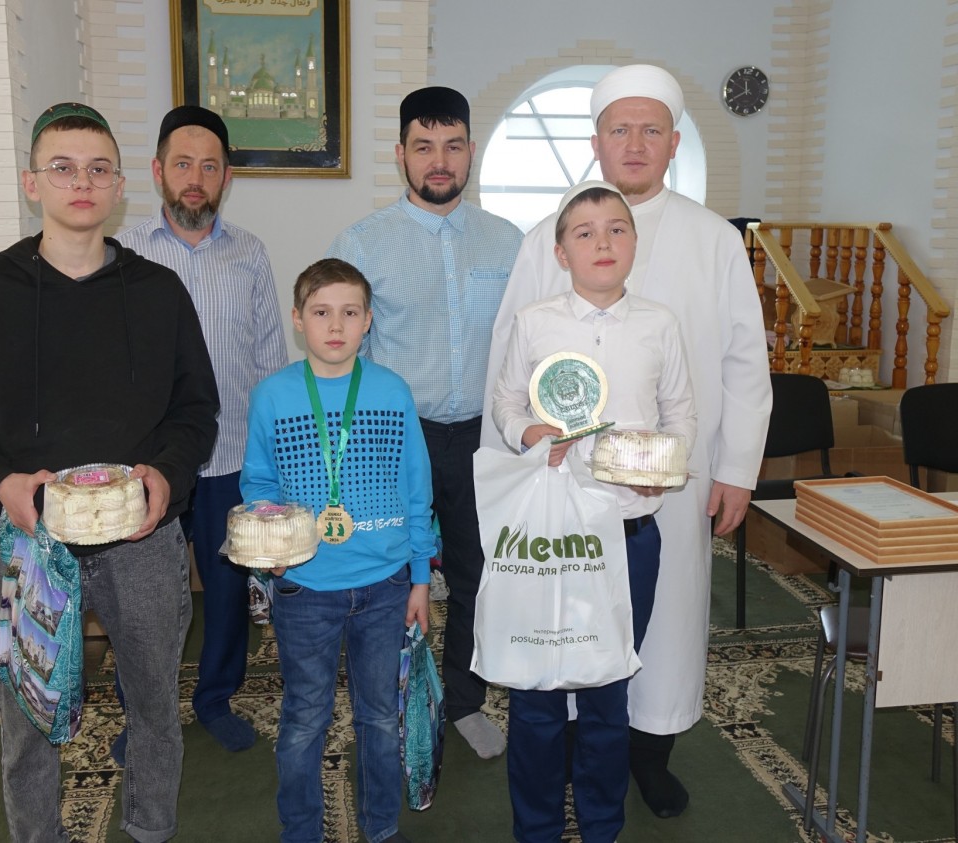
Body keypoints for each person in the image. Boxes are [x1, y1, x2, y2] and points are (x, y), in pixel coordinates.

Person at [0, 102, 219, 843]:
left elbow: (196, 408)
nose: (82, 182)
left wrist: (166, 477)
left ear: (118, 186)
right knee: (27, 719)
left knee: (154, 707)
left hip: (142, 539)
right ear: (32, 183)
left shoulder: (160, 293)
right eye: (63, 168)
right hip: (31, 543)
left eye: (98, 168)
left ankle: (150, 828)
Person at [482, 65, 773, 817]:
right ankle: (569, 757)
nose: (635, 143)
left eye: (651, 130)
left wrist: (737, 468)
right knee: (563, 627)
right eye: (620, 129)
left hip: (670, 484)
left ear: (674, 142)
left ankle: (650, 755)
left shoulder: (716, 240)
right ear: (597, 143)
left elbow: (745, 362)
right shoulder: (549, 236)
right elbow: (507, 367)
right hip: (562, 491)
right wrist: (512, 478)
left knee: (662, 623)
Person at [489, 181, 695, 842]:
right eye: (584, 233)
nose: (602, 242)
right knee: (537, 693)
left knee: (609, 693)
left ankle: (603, 826)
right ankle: (537, 828)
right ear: (561, 252)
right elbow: (506, 401)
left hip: (629, 537)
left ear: (634, 243)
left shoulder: (660, 324)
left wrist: (661, 464)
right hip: (553, 539)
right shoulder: (535, 322)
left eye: (616, 229)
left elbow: (681, 414)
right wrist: (530, 433)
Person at [327, 86, 523, 759]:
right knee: (386, 581)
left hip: (483, 439)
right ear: (401, 154)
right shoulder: (361, 243)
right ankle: (387, 707)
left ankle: (464, 702)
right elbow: (342, 350)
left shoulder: (509, 242)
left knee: (476, 575)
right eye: (424, 146)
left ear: (471, 151)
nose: (440, 160)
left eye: (453, 145)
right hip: (394, 439)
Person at [241, 258, 433, 843]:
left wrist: (420, 577)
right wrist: (271, 549)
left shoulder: (391, 391)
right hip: (305, 585)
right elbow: (258, 484)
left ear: (367, 321)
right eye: (321, 312)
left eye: (350, 312)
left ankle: (381, 827)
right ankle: (300, 830)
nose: (336, 325)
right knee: (304, 717)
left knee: (380, 716)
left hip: (386, 584)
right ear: (298, 319)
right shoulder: (272, 396)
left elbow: (416, 488)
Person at [116, 104, 287, 754]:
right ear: (158, 171)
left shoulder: (250, 254)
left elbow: (270, 359)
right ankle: (145, 714)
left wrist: (274, 459)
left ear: (226, 177)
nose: (195, 179)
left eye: (209, 167)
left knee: (227, 593)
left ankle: (215, 698)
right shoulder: (123, 254)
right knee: (143, 600)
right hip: (148, 463)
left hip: (231, 457)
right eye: (183, 164)